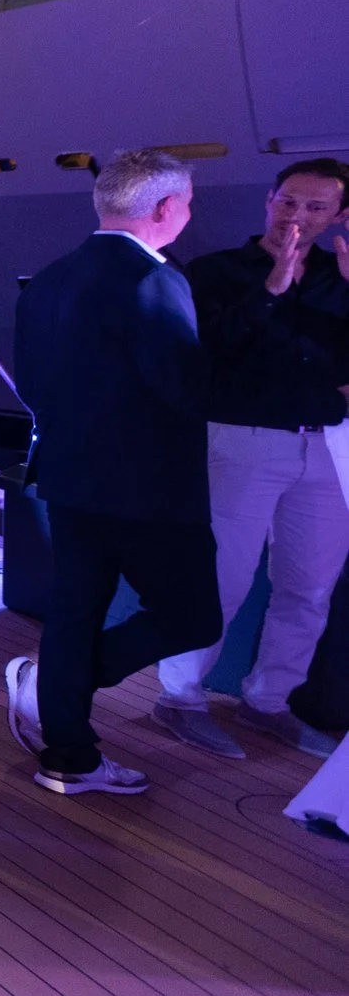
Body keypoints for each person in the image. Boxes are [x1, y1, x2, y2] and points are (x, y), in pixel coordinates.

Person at [6, 147, 221, 795]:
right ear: (164, 207)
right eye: (186, 201)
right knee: (191, 617)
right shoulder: (154, 280)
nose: (188, 212)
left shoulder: (46, 280)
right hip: (151, 492)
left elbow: (35, 384)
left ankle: (68, 752)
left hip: (72, 478)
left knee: (74, 610)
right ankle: (52, 694)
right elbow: (187, 389)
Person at [151, 159, 349, 757]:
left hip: (328, 444)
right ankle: (180, 696)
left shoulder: (340, 279)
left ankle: (269, 700)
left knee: (310, 584)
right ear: (268, 200)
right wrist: (271, 290)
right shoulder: (216, 272)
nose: (298, 216)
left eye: (316, 208)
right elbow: (209, 353)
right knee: (222, 576)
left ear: (340, 216)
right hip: (242, 438)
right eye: (288, 202)